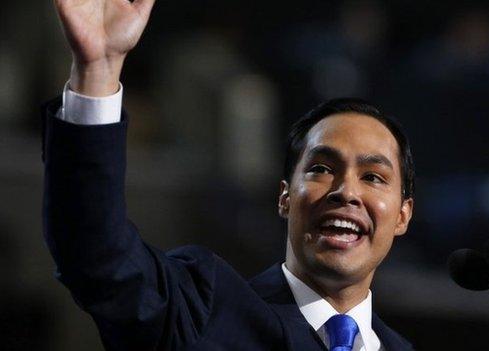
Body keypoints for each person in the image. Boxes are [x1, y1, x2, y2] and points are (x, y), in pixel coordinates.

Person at [43, 0, 415, 350]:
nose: (346, 191)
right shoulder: (203, 308)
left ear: (402, 214)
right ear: (285, 197)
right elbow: (99, 255)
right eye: (321, 169)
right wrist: (98, 71)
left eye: (373, 177)